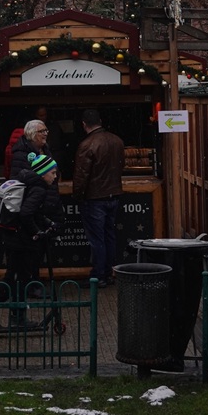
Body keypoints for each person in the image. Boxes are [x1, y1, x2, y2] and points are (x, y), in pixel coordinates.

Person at [0, 152, 61, 333]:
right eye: (53, 173)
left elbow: (33, 212)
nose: (55, 176)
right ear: (43, 173)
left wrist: (47, 223)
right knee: (14, 279)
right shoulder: (39, 188)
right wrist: (37, 232)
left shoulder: (30, 183)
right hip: (21, 240)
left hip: (14, 238)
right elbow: (27, 213)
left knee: (17, 279)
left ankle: (10, 316)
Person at [72, 108, 125, 287]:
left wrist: (78, 196)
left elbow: (81, 176)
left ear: (83, 124)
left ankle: (98, 276)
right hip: (114, 194)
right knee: (109, 236)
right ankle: (109, 273)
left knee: (97, 239)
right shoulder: (117, 141)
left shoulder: (86, 145)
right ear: (100, 121)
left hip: (94, 198)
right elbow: (121, 166)